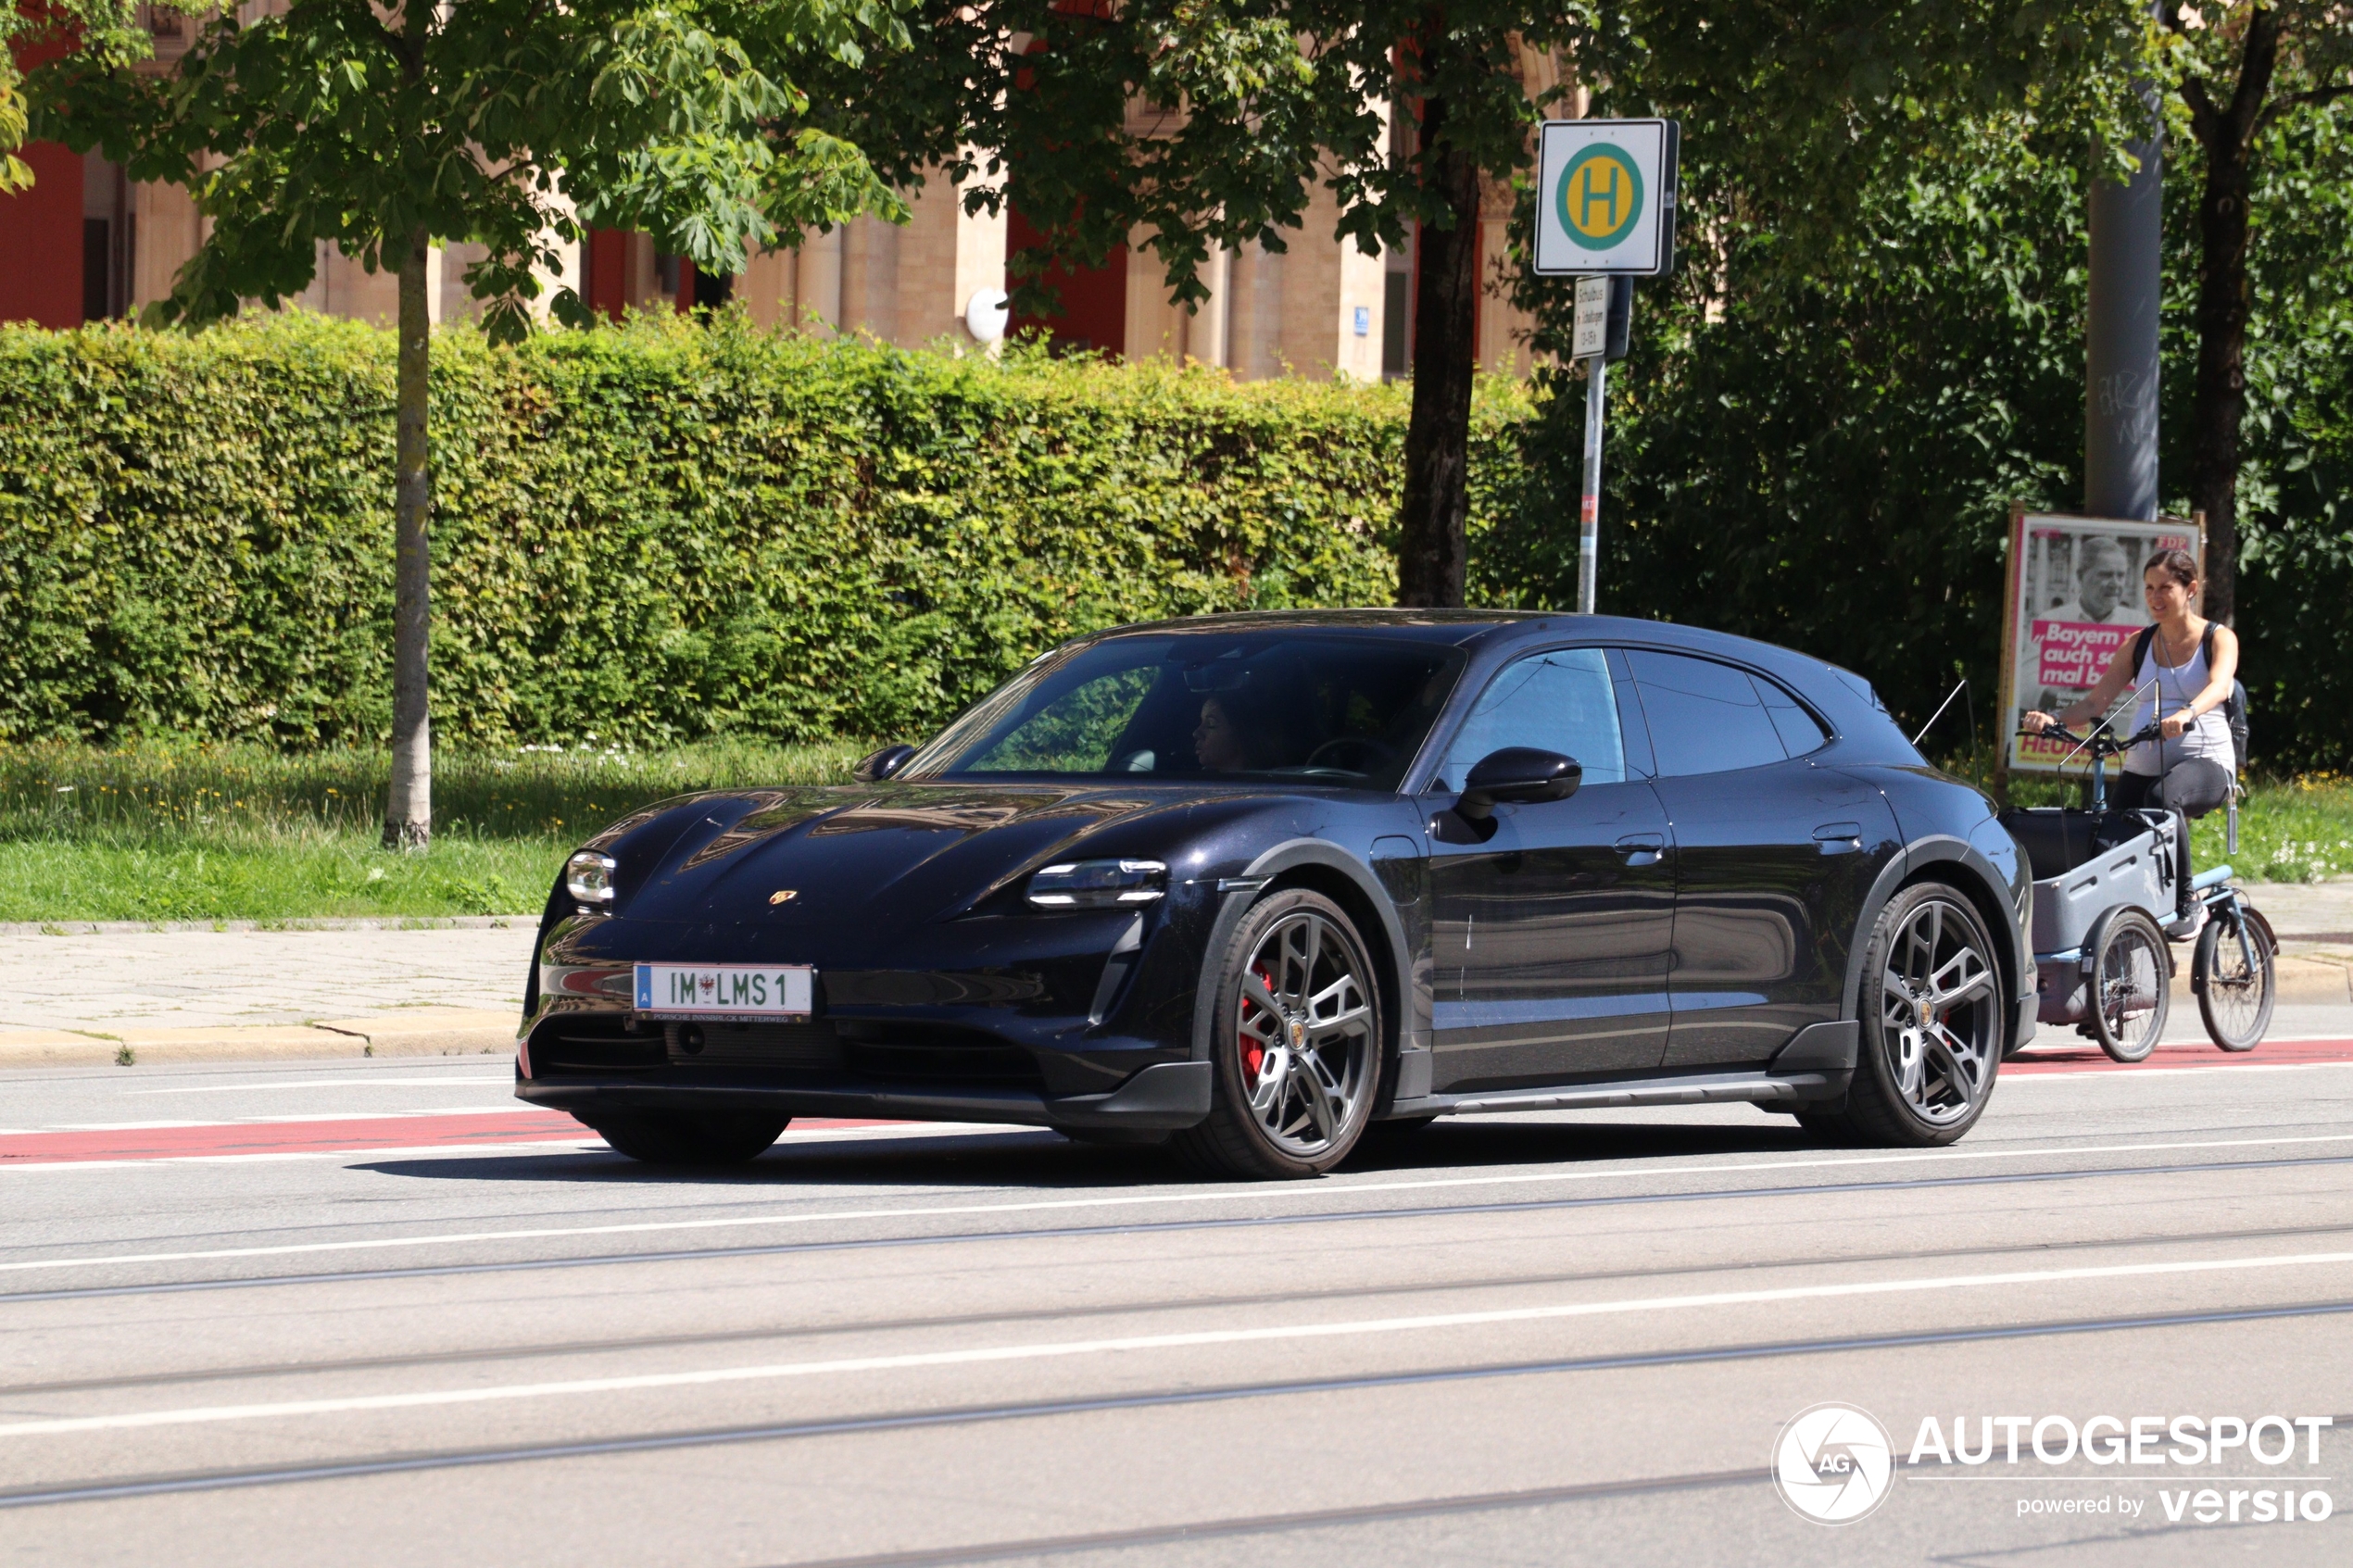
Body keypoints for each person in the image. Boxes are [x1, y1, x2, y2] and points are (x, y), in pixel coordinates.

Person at [2022, 547, 2239, 916]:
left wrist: (2187, 713)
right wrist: (2051, 719)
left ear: (2190, 589)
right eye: (2149, 588)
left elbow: (2220, 686)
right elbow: (2095, 703)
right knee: (2110, 834)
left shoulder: (2216, 638)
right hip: (2144, 762)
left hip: (2206, 761)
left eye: (2165, 588)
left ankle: (2186, 900)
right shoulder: (2138, 643)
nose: (2155, 597)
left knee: (2161, 798)